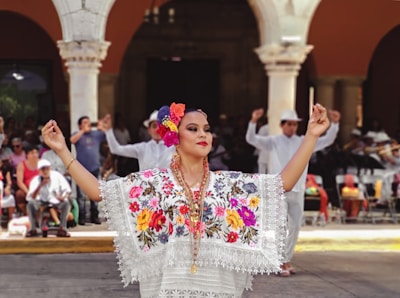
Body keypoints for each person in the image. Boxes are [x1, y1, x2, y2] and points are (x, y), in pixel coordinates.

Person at [41, 102, 330, 297]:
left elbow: (282, 183)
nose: (203, 134)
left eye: (206, 129)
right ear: (174, 137)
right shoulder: (156, 185)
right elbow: (99, 191)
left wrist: (312, 136)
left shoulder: (227, 186)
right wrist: (63, 152)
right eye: (193, 128)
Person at [246, 107, 341, 277]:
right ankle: (281, 261)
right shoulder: (273, 141)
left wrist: (335, 124)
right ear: (282, 125)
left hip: (298, 189)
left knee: (295, 226)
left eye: (294, 125)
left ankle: (286, 259)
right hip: (279, 189)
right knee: (280, 227)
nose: (292, 127)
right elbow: (251, 139)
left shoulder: (303, 141)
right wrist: (253, 121)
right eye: (289, 124)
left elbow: (326, 140)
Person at [99, 110, 175, 171]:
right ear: (148, 130)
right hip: (147, 188)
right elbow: (116, 149)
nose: (158, 129)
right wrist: (108, 131)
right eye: (154, 126)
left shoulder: (175, 148)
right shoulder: (142, 148)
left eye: (161, 126)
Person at [70, 115, 105, 225]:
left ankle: (94, 216)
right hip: (81, 170)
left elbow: (107, 136)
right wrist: (82, 131)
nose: (88, 124)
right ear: (80, 125)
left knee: (95, 193)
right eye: (85, 122)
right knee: (81, 196)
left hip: (95, 168)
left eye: (89, 122)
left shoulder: (96, 134)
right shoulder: (77, 134)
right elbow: (72, 140)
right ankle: (82, 217)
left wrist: (102, 127)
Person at [25, 159, 71, 237]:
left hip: (55, 200)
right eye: (43, 169)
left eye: (47, 169)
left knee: (66, 204)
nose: (45, 171)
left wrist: (63, 197)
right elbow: (32, 196)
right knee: (30, 204)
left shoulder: (57, 176)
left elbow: (67, 190)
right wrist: (40, 185)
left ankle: (62, 228)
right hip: (41, 201)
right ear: (39, 171)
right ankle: (32, 229)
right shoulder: (35, 180)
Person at [15, 145, 40, 215]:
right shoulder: (21, 165)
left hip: (40, 187)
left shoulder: (42, 163)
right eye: (32, 153)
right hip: (27, 188)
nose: (35, 155)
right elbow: (19, 182)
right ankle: (27, 214)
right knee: (19, 194)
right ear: (27, 155)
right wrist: (28, 192)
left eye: (36, 153)